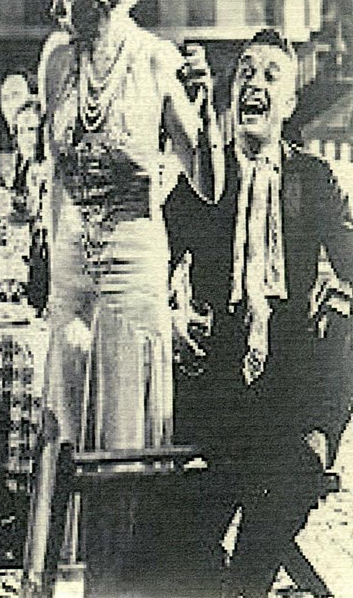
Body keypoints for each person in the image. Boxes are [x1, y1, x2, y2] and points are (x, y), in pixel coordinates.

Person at [23, 0, 224, 591]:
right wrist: (51, 271)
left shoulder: (157, 61)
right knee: (64, 424)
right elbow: (53, 177)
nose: (56, 7)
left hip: (135, 266)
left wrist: (207, 110)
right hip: (70, 269)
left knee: (124, 430)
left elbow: (207, 184)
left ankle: (121, 579)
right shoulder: (56, 60)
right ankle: (60, 575)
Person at [165, 29, 353, 598]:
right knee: (174, 541)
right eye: (246, 71)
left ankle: (244, 581)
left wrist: (339, 307)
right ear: (230, 94)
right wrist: (170, 315)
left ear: (289, 104)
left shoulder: (313, 180)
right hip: (215, 390)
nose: (255, 83)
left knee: (288, 472)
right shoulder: (202, 179)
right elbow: (152, 259)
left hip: (288, 392)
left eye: (272, 76)